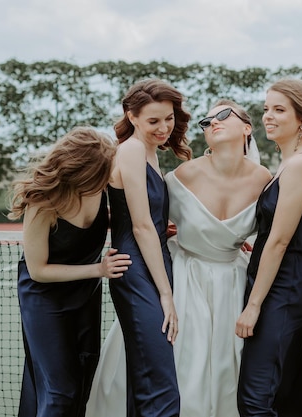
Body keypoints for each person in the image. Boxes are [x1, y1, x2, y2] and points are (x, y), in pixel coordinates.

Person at [7, 126, 132, 417]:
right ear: (80, 173)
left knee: (83, 379)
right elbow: (38, 271)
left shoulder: (100, 189)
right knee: (60, 390)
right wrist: (98, 269)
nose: (105, 180)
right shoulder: (43, 204)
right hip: (44, 300)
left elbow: (116, 219)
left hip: (85, 295)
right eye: (99, 175)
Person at [235, 78, 302, 417]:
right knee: (291, 393)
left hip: (284, 292)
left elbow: (279, 242)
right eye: (266, 109)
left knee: (255, 400)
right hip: (286, 286)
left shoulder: (299, 165)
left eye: (279, 110)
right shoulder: (293, 162)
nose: (268, 116)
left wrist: (253, 306)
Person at [168, 99, 272, 417]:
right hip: (188, 281)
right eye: (206, 121)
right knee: (188, 370)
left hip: (234, 283)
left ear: (247, 128)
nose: (213, 122)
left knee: (236, 369)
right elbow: (149, 223)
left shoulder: (265, 180)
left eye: (224, 115)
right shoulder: (182, 175)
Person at [99, 78, 192, 417]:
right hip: (134, 269)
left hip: (153, 263)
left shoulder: (151, 152)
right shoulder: (132, 149)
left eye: (168, 118)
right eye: (154, 120)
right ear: (132, 116)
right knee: (161, 385)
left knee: (147, 377)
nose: (164, 127)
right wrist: (166, 295)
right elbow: (140, 225)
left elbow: (153, 222)